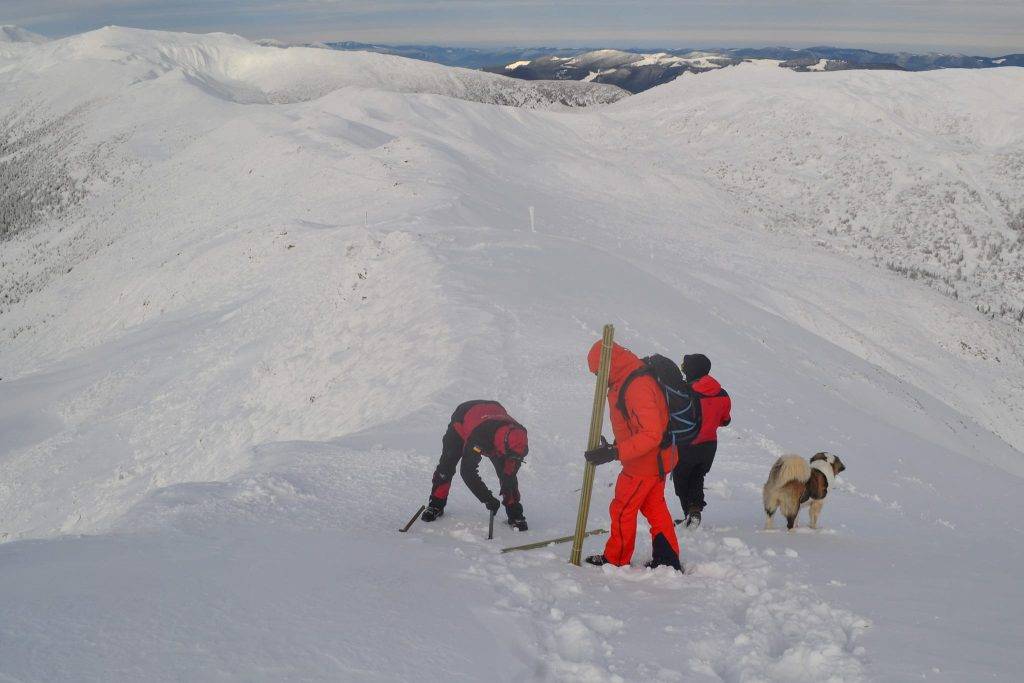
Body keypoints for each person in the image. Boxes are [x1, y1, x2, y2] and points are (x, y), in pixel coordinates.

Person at [582, 340, 682, 571]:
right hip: (656, 460)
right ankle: (668, 559)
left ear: (608, 365)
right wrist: (617, 445)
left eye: (598, 372)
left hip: (643, 464)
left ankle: (616, 559)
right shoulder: (627, 378)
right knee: (655, 507)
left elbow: (651, 433)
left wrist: (615, 452)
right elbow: (637, 425)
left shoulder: (637, 385)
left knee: (622, 509)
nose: (597, 378)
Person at [421, 400, 529, 530]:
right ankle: (436, 505)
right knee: (447, 464)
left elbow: (509, 474)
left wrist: (515, 512)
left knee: (507, 473)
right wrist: (487, 498)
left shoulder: (518, 440)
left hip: (494, 412)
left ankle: (514, 514)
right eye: (511, 457)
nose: (514, 460)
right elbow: (468, 472)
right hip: (463, 418)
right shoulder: (479, 438)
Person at [672, 353, 731, 528]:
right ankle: (694, 510)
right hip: (709, 446)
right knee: (697, 476)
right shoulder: (722, 393)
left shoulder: (686, 392)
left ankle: (689, 514)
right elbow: (725, 420)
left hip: (687, 444)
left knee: (682, 480)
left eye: (686, 368)